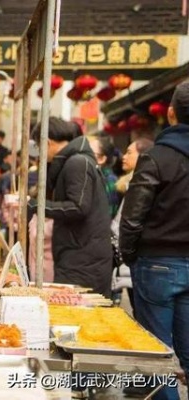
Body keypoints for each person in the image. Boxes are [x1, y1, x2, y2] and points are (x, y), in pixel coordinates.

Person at [120, 80, 189, 399]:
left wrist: (131, 256)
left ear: (171, 113)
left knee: (156, 357)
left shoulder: (158, 157)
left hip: (158, 263)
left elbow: (132, 218)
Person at [29, 117, 112, 297]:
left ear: (47, 142)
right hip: (78, 255)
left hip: (83, 260)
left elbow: (78, 207)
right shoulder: (73, 161)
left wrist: (38, 206)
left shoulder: (77, 163)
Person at [110, 138, 154, 310]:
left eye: (129, 152)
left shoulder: (138, 185)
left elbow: (127, 222)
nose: (124, 157)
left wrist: (127, 254)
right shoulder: (125, 184)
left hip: (136, 259)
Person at [89, 135, 120, 218]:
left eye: (89, 152)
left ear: (102, 159)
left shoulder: (109, 180)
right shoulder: (95, 175)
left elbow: (108, 213)